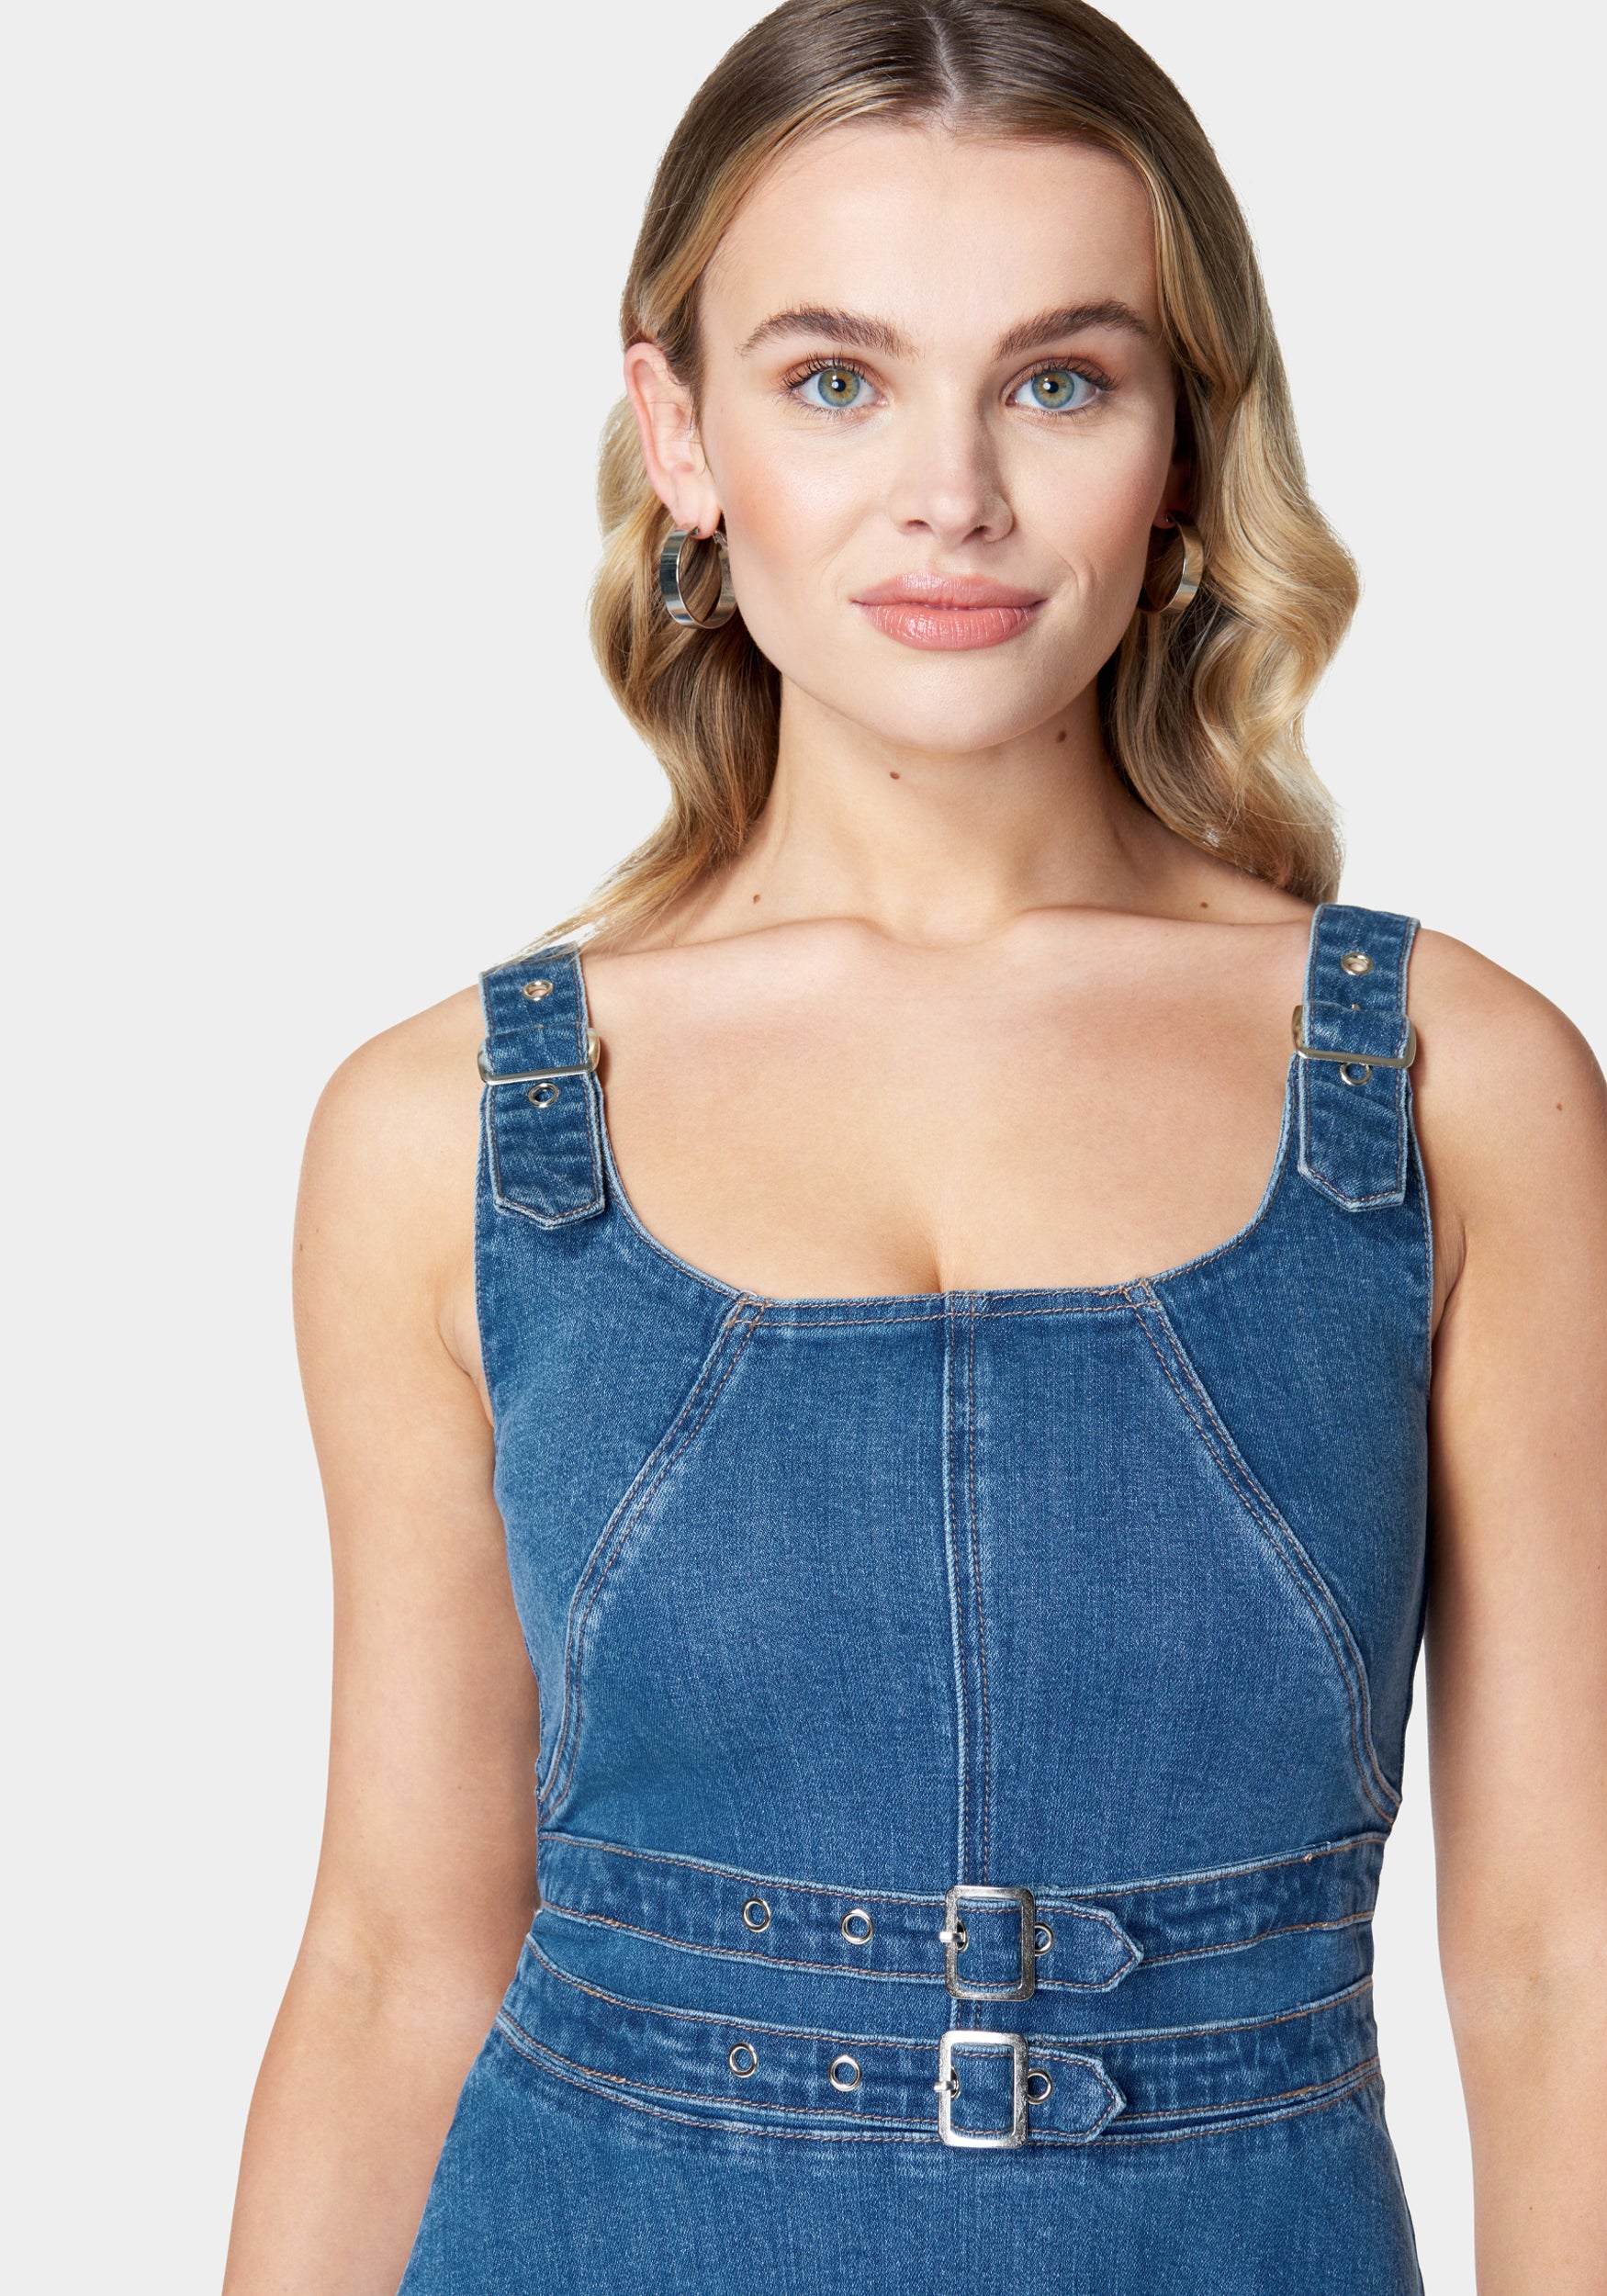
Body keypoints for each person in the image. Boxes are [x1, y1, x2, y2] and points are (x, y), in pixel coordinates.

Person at [221, 3, 1607, 2289]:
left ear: (1180, 444)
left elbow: (1561, 1964)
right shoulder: (438, 1132)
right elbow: (392, 1957)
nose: (949, 492)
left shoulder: (1455, 1084)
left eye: (1056, 380)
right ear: (679, 431)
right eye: (833, 380)